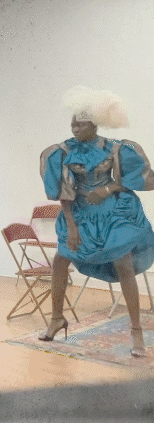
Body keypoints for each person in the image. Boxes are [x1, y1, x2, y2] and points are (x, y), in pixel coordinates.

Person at [39, 86, 154, 357]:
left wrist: (107, 189)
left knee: (123, 262)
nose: (75, 128)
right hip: (79, 215)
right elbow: (64, 194)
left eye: (80, 124)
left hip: (114, 212)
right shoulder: (63, 152)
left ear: (94, 124)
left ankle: (136, 331)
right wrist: (72, 228)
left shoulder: (116, 148)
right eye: (72, 124)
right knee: (60, 259)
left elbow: (130, 180)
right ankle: (57, 317)